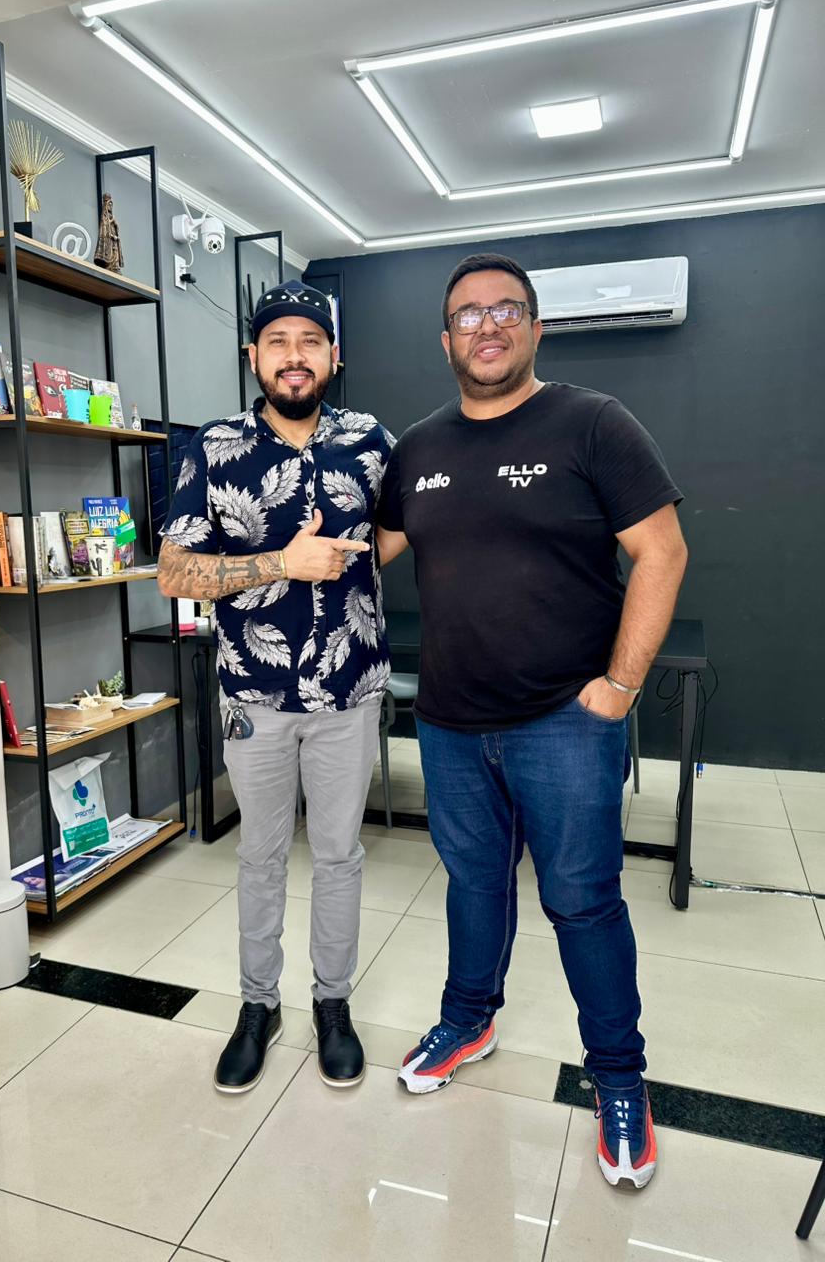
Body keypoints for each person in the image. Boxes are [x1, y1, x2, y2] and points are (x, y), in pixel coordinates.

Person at [376, 252, 687, 1189]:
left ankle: (619, 1078)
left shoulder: (593, 423)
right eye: (468, 314)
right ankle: (469, 1020)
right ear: (445, 339)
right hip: (448, 722)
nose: (488, 326)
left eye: (507, 309)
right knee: (474, 885)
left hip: (565, 721)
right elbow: (364, 550)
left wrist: (620, 688)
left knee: (582, 902)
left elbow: (662, 552)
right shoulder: (418, 448)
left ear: (537, 328)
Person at [158, 280, 392, 1094]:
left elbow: (396, 534)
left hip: (350, 692)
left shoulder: (370, 441)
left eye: (310, 341)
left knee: (339, 856)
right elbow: (174, 573)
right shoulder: (214, 445)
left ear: (334, 356)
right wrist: (282, 563)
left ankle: (333, 1003)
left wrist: (352, 564)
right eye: (279, 342)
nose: (295, 357)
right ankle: (258, 1006)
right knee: (259, 857)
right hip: (254, 697)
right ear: (252, 355)